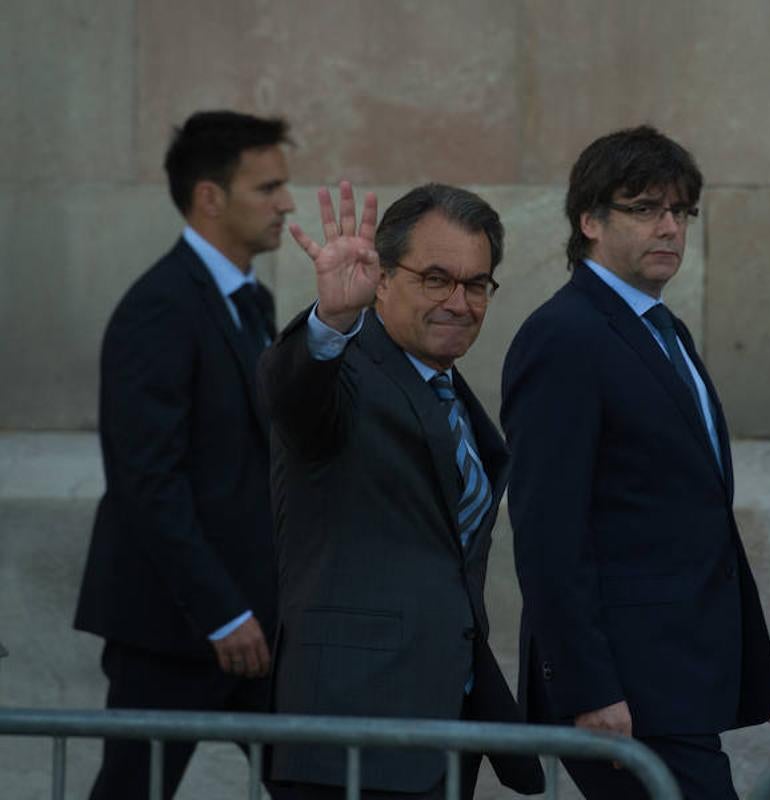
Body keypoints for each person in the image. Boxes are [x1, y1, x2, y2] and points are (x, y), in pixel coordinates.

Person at [501, 125, 770, 799]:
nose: (669, 228)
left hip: (676, 681)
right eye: (645, 209)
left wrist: (755, 649)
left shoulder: (661, 330)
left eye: (681, 212)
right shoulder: (565, 335)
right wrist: (589, 689)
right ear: (590, 221)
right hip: (623, 697)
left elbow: (693, 517)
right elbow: (549, 533)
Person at [259, 181, 544, 799]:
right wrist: (331, 321)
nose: (458, 302)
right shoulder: (347, 373)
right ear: (382, 279)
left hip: (442, 731)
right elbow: (292, 397)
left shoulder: (454, 397)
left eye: (476, 284)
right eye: (435, 278)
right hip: (350, 737)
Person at [74, 110, 294, 799]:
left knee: (309, 783)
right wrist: (221, 613)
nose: (287, 202)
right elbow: (148, 484)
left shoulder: (250, 302)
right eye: (268, 188)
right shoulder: (161, 308)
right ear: (209, 197)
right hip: (172, 630)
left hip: (255, 625)